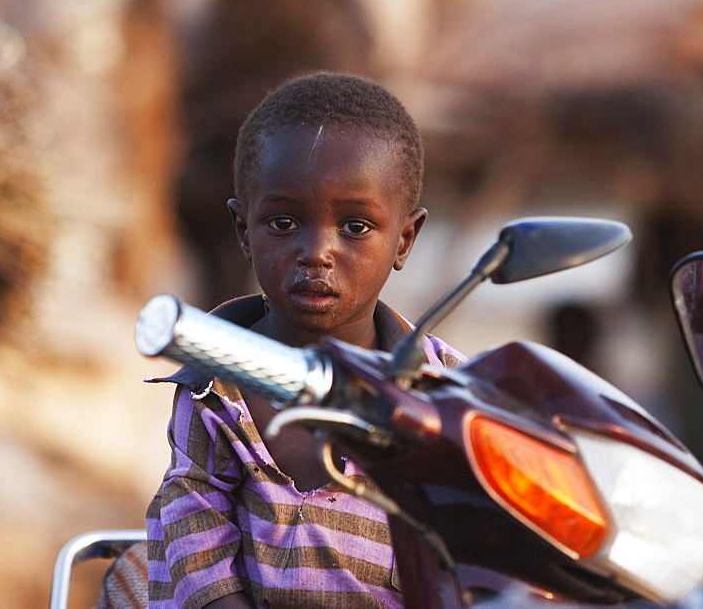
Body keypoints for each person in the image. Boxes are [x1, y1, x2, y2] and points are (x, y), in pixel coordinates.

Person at [145, 71, 466, 608]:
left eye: (356, 227)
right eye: (284, 222)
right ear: (243, 231)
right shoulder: (214, 386)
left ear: (404, 238)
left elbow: (467, 557)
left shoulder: (446, 394)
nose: (316, 251)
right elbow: (192, 522)